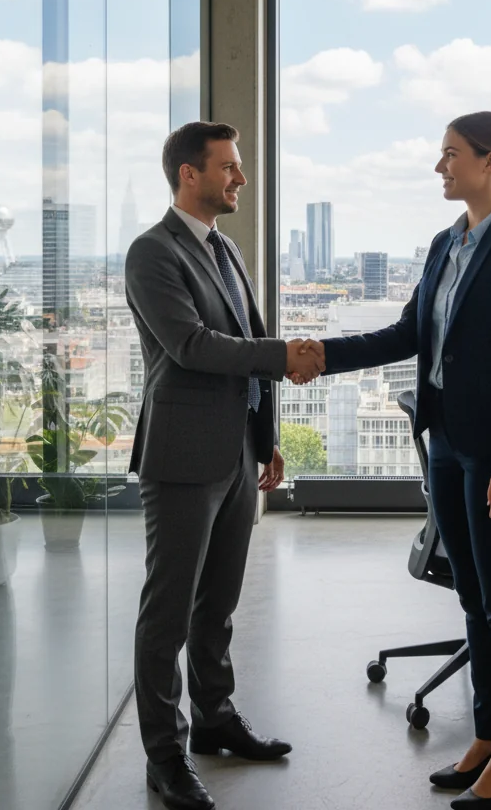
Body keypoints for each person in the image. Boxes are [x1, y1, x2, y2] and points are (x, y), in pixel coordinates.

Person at [295, 111, 491, 809]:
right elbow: (410, 333)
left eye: (451, 155)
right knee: (473, 600)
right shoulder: (446, 244)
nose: (440, 168)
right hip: (447, 446)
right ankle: (486, 735)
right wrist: (323, 357)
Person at [125, 120, 325, 810]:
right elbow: (191, 345)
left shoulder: (225, 249)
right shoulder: (152, 253)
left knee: (219, 604)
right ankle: (164, 759)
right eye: (229, 167)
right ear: (190, 173)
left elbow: (249, 336)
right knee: (168, 615)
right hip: (182, 458)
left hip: (237, 450)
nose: (240, 178)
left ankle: (214, 720)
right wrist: (283, 357)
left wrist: (265, 434)